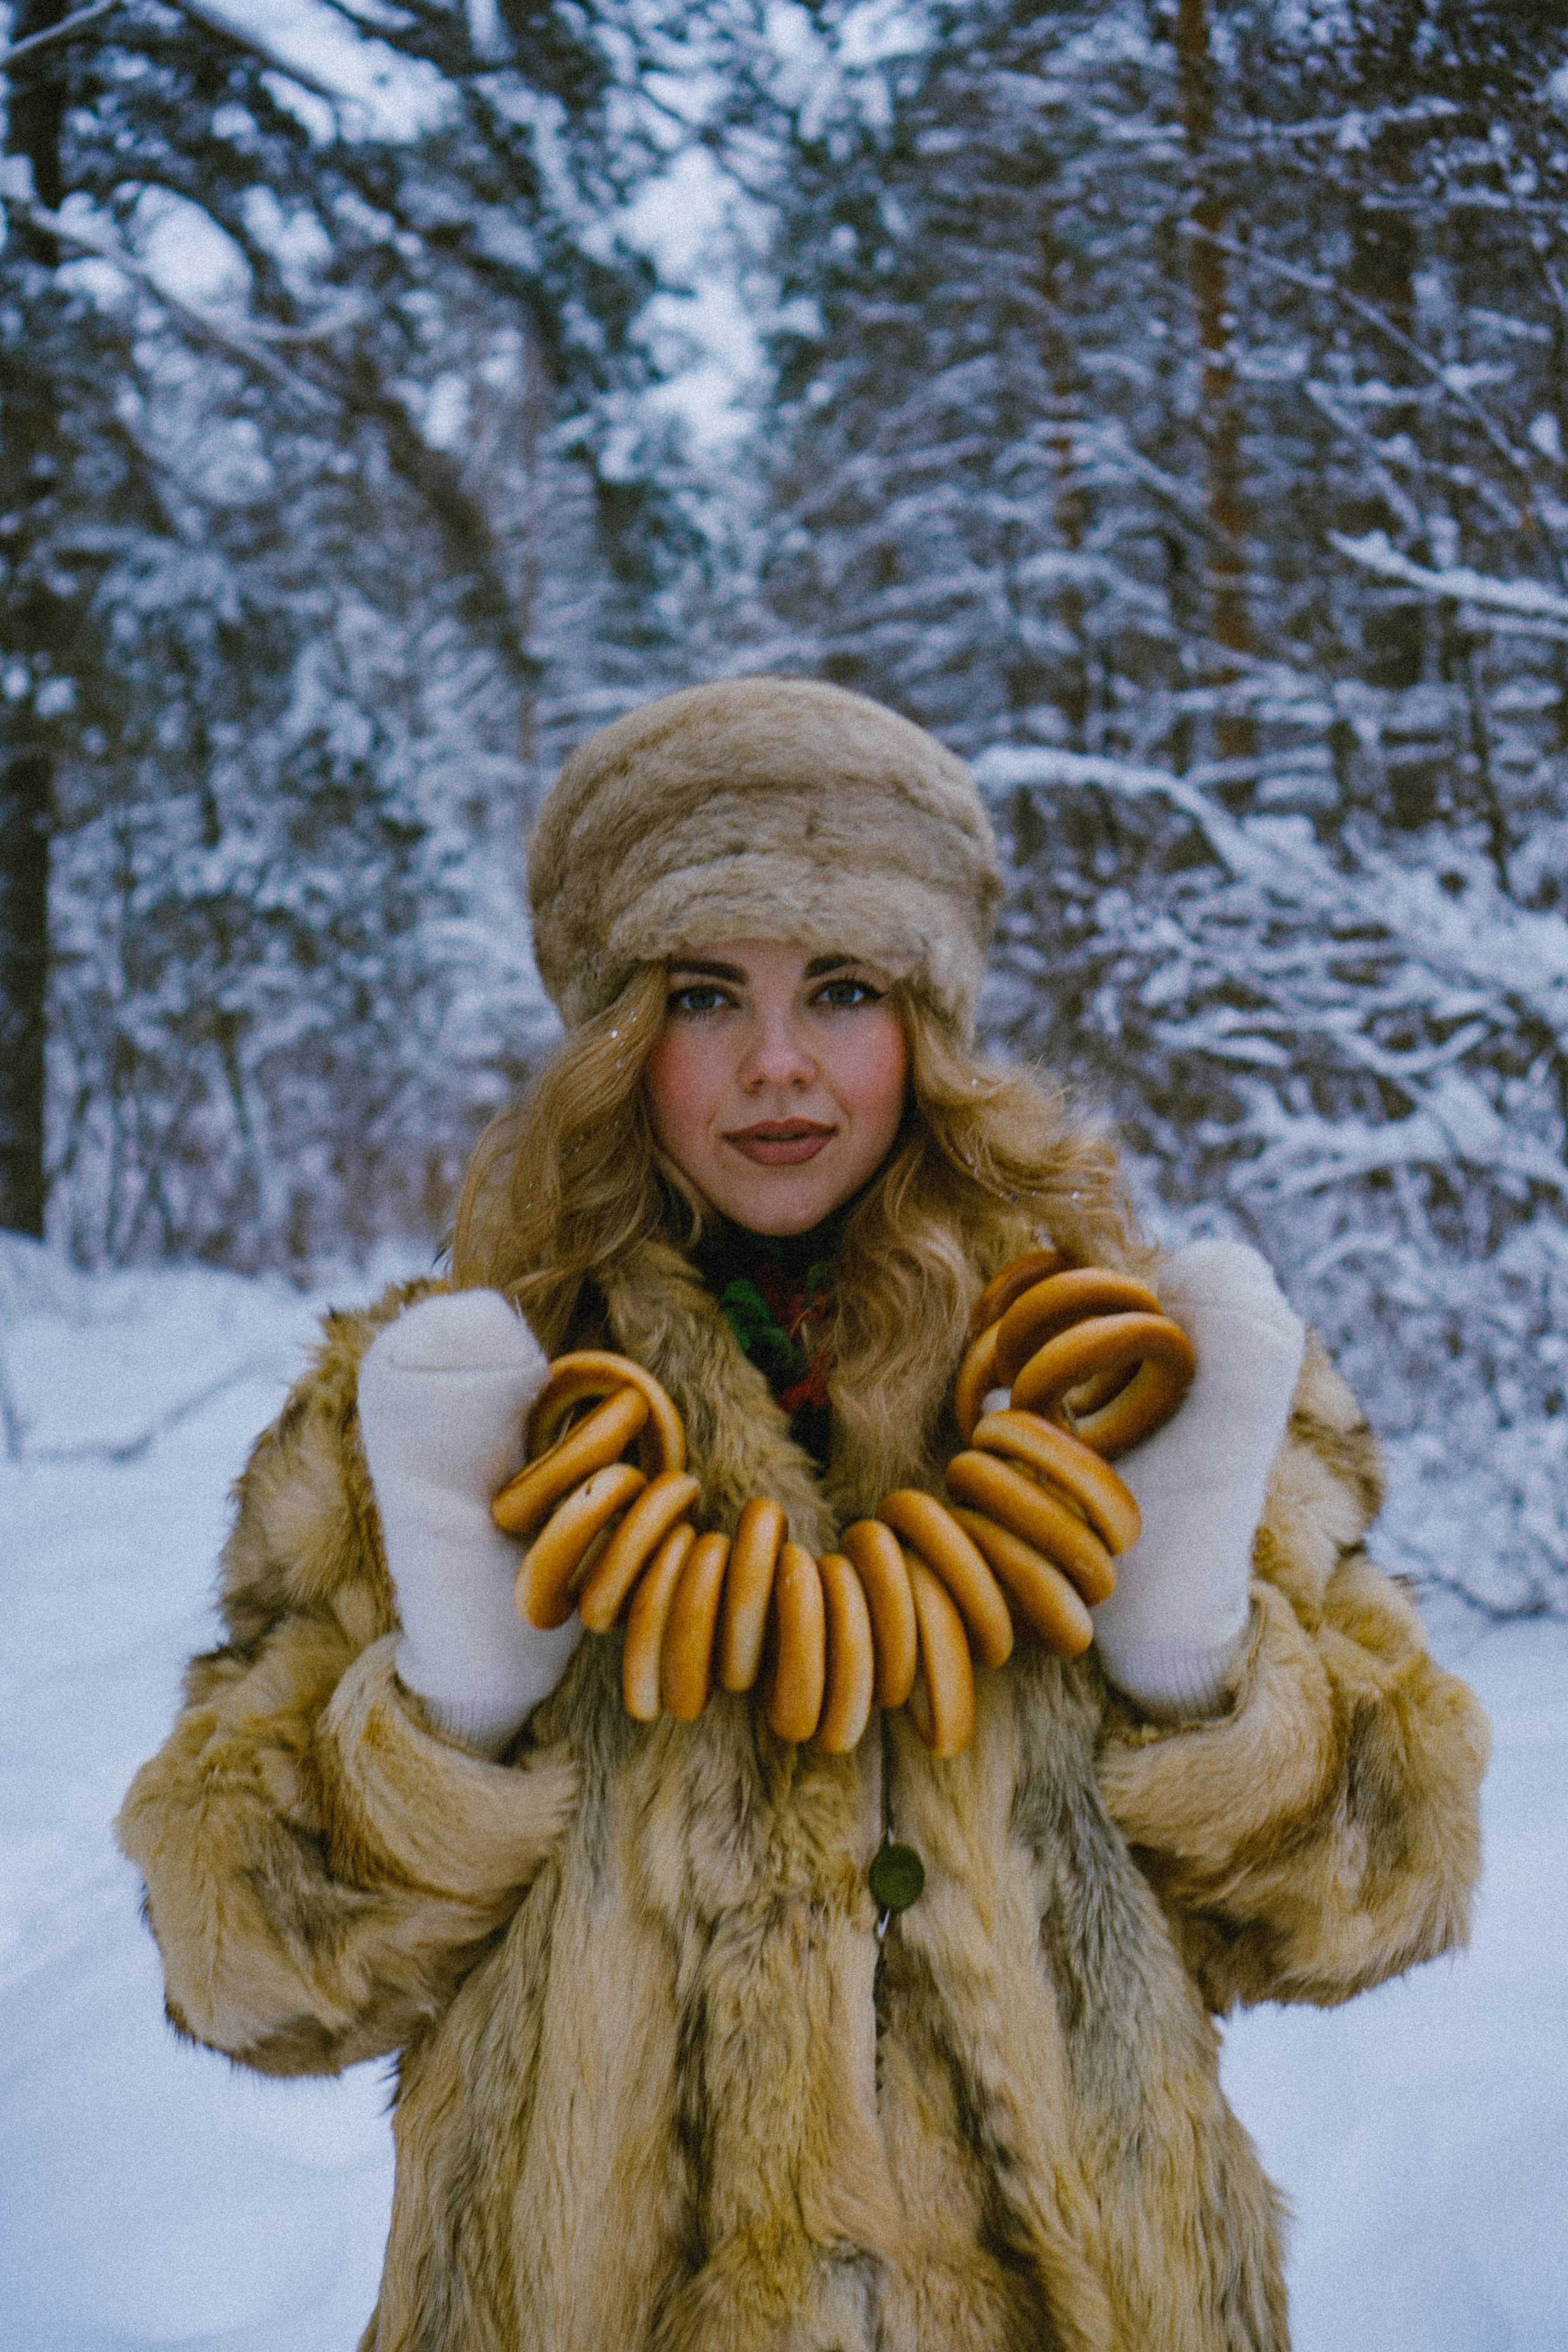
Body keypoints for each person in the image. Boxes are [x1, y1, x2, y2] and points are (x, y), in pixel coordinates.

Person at [118, 677, 1488, 2352]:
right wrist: (445, 1714)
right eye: (707, 996)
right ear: (623, 1036)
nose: (777, 1067)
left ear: (927, 1022)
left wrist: (1200, 1664)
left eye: (841, 989)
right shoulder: (447, 1408)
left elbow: (1383, 1891)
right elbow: (245, 1971)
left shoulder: (1130, 1383)